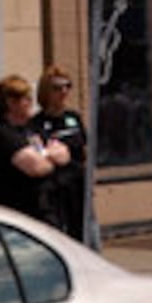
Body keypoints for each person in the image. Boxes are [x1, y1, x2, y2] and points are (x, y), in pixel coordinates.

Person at [0, 74, 69, 224]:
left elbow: (64, 154)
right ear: (11, 103)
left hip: (44, 216)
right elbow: (36, 167)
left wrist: (43, 154)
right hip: (14, 221)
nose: (30, 103)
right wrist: (48, 156)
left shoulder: (32, 129)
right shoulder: (1, 134)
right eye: (26, 99)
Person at [31, 66, 88, 240]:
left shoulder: (73, 118)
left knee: (80, 232)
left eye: (67, 86)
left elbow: (83, 147)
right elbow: (42, 153)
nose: (63, 92)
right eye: (57, 88)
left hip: (77, 185)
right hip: (54, 188)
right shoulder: (37, 123)